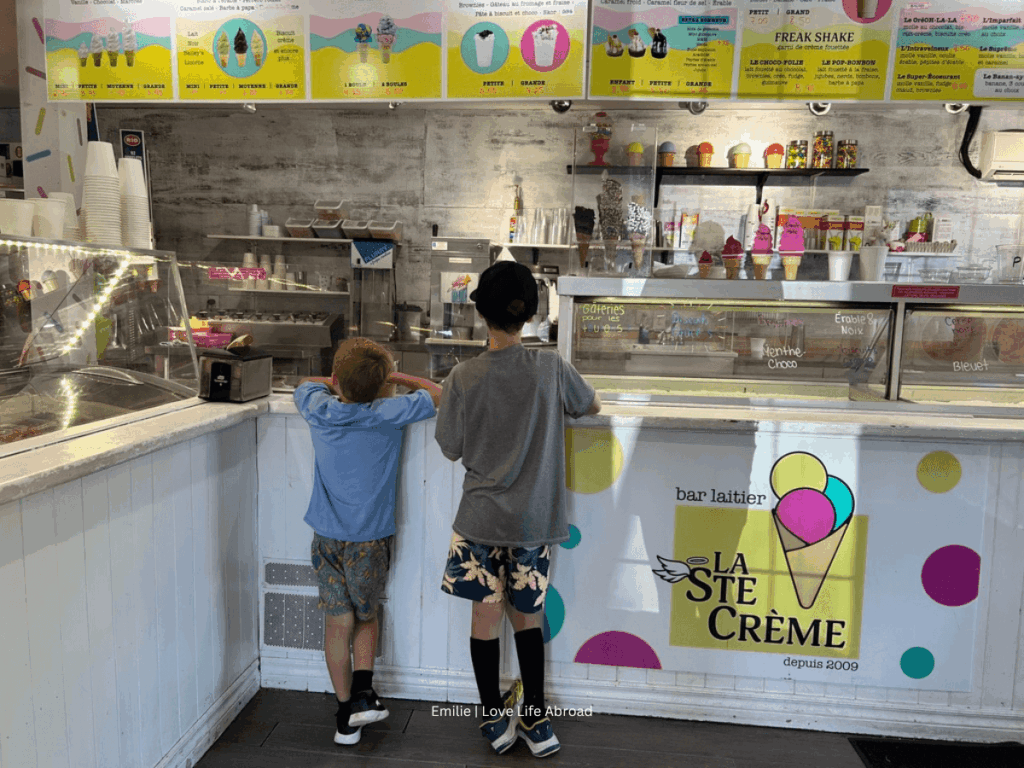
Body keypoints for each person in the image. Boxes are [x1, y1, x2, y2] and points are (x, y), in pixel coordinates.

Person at [434, 261, 601, 758]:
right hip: (533, 522)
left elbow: (450, 446)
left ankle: (493, 722)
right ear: (529, 314)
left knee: (484, 622)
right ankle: (538, 722)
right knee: (527, 618)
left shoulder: (463, 376)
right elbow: (589, 405)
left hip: (480, 521)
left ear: (479, 310)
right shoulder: (550, 368)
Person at [294, 338, 442, 746]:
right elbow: (439, 394)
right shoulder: (389, 412)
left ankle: (346, 716)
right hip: (370, 542)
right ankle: (363, 692)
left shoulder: (318, 408)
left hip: (325, 538)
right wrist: (393, 375)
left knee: (337, 621)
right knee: (366, 615)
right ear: (383, 383)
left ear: (337, 380)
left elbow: (306, 382)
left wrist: (342, 379)